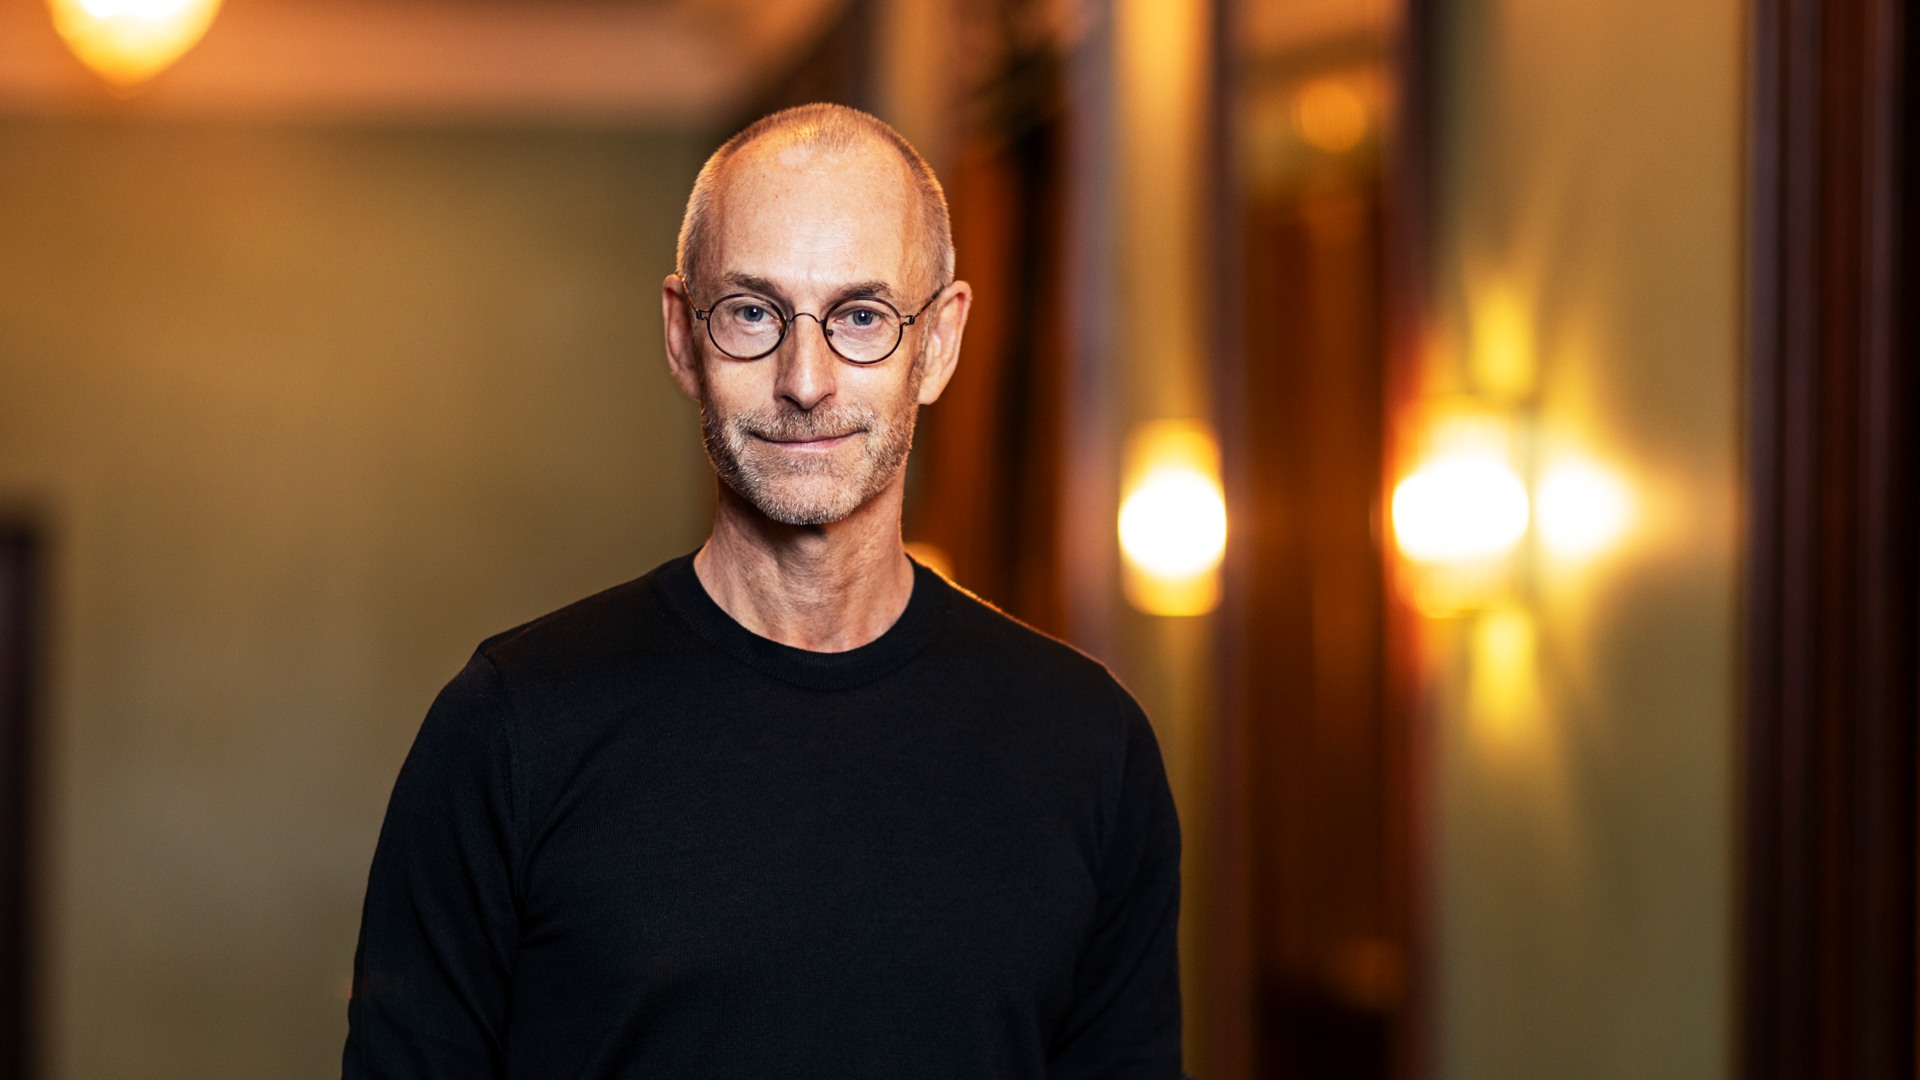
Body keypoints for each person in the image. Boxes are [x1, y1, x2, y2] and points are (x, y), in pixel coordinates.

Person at [342, 102, 1183, 1079]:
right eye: (753, 312)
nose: (805, 380)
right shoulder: (511, 728)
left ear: (940, 343)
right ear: (681, 335)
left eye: (861, 316)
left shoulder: (1090, 746)